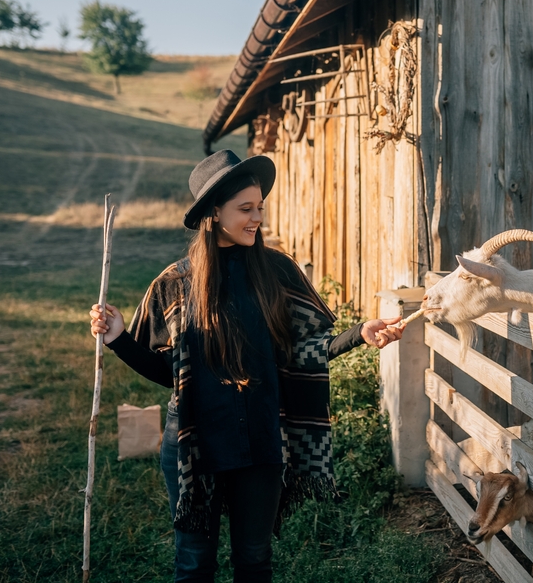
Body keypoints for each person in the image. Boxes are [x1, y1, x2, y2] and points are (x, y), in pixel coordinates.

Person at [89, 150, 403, 582]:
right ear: (214, 212)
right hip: (195, 443)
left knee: (254, 562)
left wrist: (359, 334)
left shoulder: (277, 271)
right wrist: (119, 339)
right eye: (245, 209)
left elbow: (302, 349)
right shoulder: (175, 283)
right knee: (193, 563)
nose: (257, 218)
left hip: (260, 440)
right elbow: (169, 374)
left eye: (260, 207)